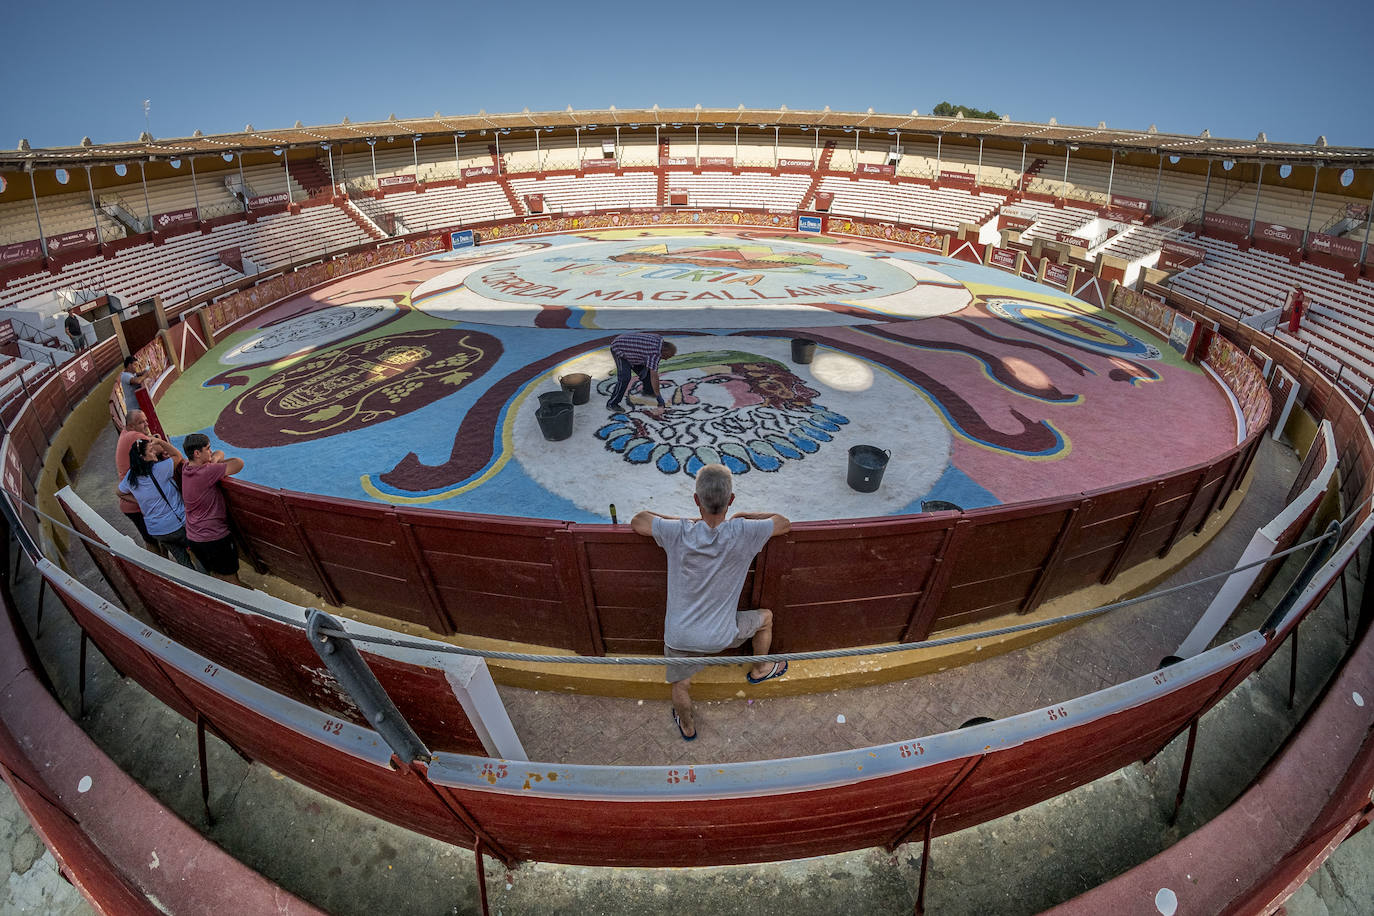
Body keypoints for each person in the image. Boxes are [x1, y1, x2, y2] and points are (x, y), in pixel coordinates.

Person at [631, 464, 791, 741]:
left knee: (680, 685)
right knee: (765, 618)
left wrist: (686, 522)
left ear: (696, 500)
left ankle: (688, 726)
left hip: (679, 637)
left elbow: (639, 520)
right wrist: (742, 516)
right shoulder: (744, 531)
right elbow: (783, 522)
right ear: (731, 500)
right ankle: (761, 669)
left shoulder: (678, 532)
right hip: (722, 637)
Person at [116, 436, 193, 569]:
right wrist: (161, 442)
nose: (154, 452)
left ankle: (194, 585)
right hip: (177, 525)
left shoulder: (131, 476)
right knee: (199, 555)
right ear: (143, 457)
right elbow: (177, 455)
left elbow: (120, 492)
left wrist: (140, 500)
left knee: (183, 562)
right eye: (151, 451)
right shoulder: (160, 469)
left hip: (158, 531)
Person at [180, 433, 245, 586]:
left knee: (217, 577)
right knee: (232, 580)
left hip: (194, 536)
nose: (211, 451)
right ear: (197, 453)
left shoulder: (186, 467)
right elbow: (238, 463)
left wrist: (212, 459)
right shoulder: (206, 472)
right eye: (207, 449)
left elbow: (219, 453)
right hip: (213, 538)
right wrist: (212, 464)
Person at [113, 410, 164, 556]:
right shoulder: (134, 436)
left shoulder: (126, 434)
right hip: (135, 503)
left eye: (146, 420)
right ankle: (161, 572)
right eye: (142, 422)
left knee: (155, 540)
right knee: (152, 541)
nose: (146, 424)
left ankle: (163, 568)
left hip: (134, 500)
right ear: (131, 426)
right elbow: (159, 449)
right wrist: (157, 439)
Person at [606, 332, 676, 412]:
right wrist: (659, 397)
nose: (666, 359)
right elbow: (654, 376)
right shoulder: (654, 353)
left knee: (645, 371)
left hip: (632, 350)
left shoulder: (659, 339)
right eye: (667, 356)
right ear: (665, 350)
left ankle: (648, 390)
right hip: (619, 348)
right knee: (625, 378)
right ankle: (612, 403)